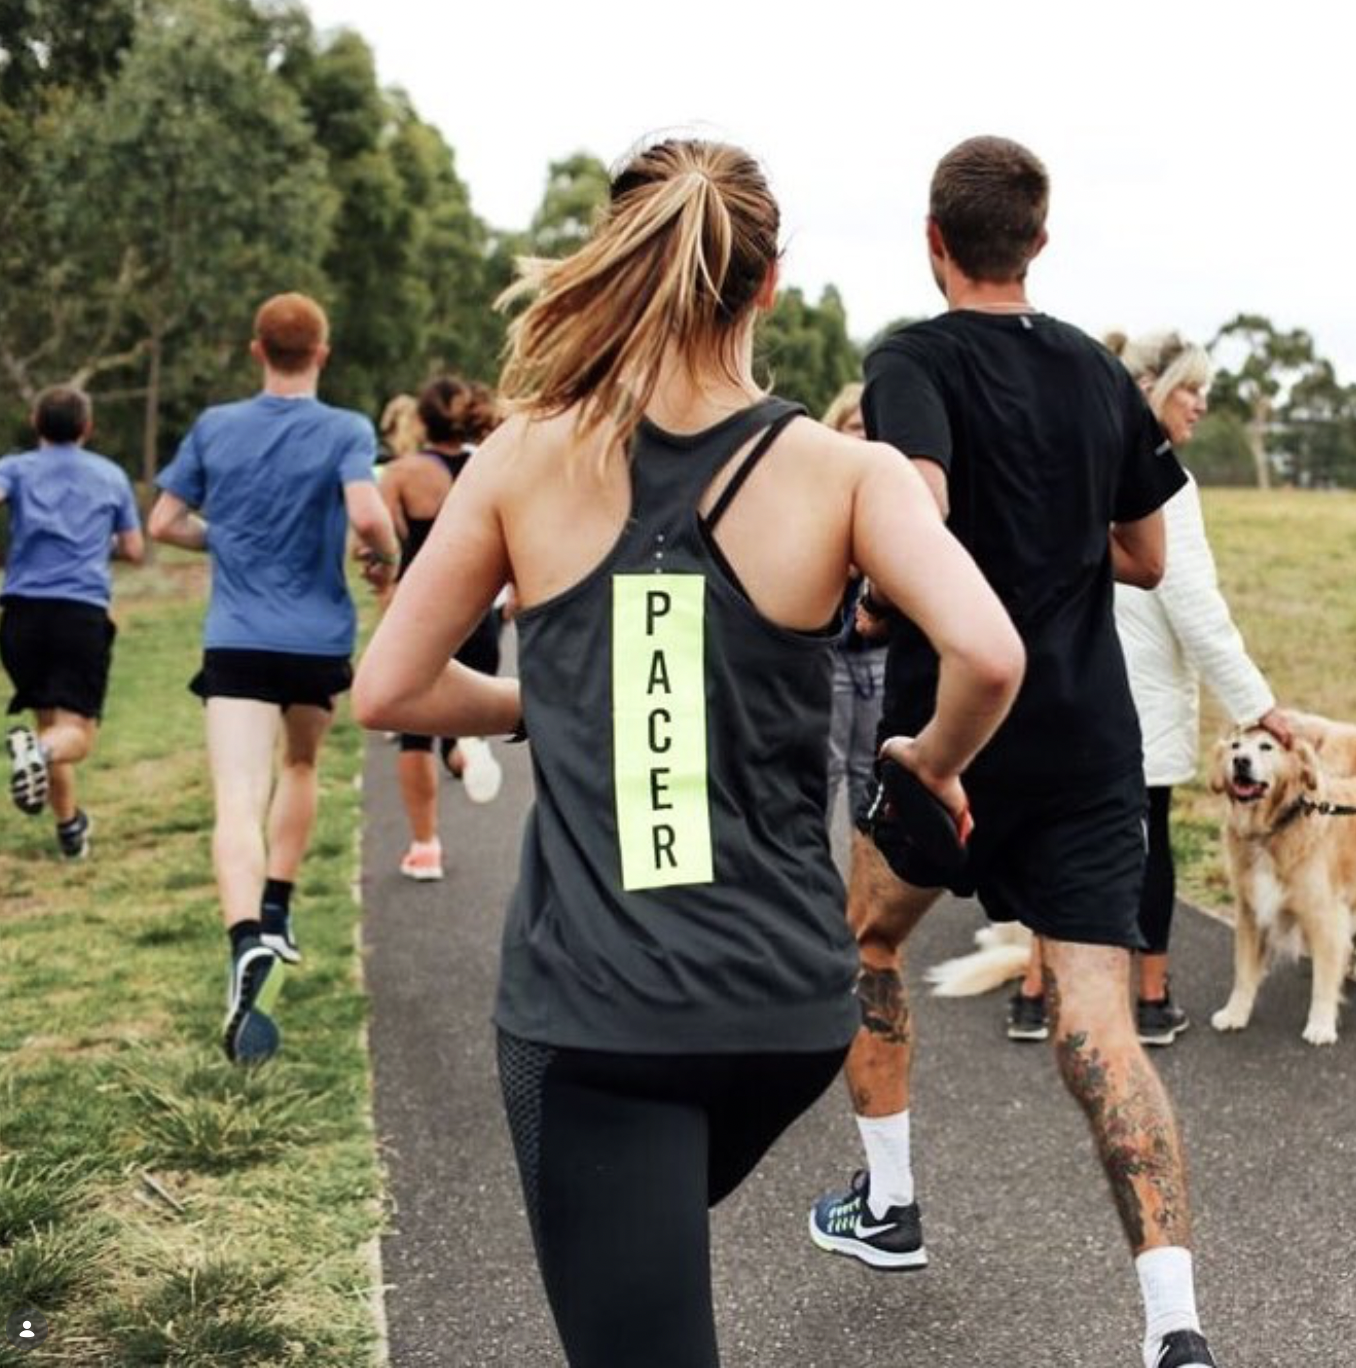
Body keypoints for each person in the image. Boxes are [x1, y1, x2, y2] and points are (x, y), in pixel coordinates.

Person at [352, 136, 1024, 1368]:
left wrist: (531, 705)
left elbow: (386, 685)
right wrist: (928, 760)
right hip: (789, 1012)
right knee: (641, 1252)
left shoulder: (520, 458)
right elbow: (989, 653)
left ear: (620, 264)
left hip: (599, 1017)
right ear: (768, 285)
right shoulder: (848, 471)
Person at [809, 138, 1222, 1368]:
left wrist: (886, 581)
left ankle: (888, 1206)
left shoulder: (910, 358)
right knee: (1095, 1019)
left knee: (868, 936)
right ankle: (1175, 1327)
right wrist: (1055, 535)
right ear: (1038, 242)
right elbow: (1146, 556)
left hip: (955, 736)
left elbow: (917, 511)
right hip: (1093, 740)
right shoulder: (1101, 371)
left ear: (933, 239)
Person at [1007, 331, 1289, 1048]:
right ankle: (1153, 999)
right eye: (1190, 389)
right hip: (1135, 696)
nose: (1200, 404)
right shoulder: (1165, 482)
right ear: (1150, 389)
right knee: (1147, 838)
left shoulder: (1069, 461)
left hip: (1057, 679)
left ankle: (1034, 993)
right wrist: (1255, 703)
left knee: (1052, 827)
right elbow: (1192, 603)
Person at [148, 292, 399, 1065]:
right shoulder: (346, 429)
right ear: (321, 353)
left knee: (235, 799)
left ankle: (245, 940)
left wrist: (226, 539)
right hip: (315, 639)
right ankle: (279, 908)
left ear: (258, 350)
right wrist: (385, 556)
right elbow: (366, 516)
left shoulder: (216, 427)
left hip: (237, 641)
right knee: (300, 764)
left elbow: (162, 524)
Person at [1, 385, 144, 857]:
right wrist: (92, 543)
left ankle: (69, 831)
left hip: (20, 615)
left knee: (50, 720)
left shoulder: (15, 469)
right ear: (87, 427)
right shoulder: (109, 476)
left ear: (35, 422)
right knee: (74, 734)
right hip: (79, 613)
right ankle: (35, 755)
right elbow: (134, 549)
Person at [378, 374, 504, 881]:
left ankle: (425, 846)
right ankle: (465, 748)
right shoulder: (491, 466)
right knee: (465, 707)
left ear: (420, 421)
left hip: (423, 616)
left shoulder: (402, 473)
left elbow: (382, 543)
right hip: (482, 615)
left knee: (413, 735)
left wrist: (383, 584)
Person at [821, 383, 891, 830]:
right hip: (831, 656)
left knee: (869, 767)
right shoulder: (819, 495)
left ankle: (859, 886)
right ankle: (815, 877)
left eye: (871, 429)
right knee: (824, 768)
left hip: (879, 657)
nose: (863, 437)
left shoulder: (889, 496)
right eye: (854, 426)